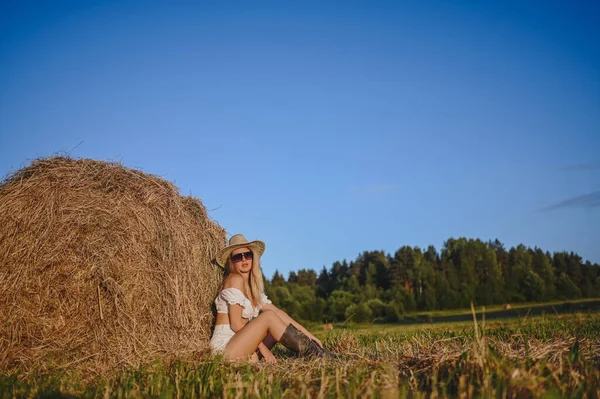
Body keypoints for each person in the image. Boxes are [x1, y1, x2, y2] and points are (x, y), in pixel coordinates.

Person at [210, 234, 336, 362]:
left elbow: (278, 312)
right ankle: (314, 354)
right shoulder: (234, 279)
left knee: (275, 318)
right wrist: (265, 350)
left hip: (241, 343)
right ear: (231, 262)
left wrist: (308, 335)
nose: (244, 260)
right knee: (268, 317)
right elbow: (236, 325)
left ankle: (313, 349)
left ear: (253, 258)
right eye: (238, 257)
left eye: (247, 255)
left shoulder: (252, 289)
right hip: (226, 347)